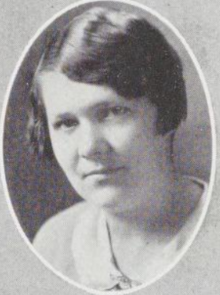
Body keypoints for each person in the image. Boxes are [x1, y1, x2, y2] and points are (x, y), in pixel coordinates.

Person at [28, 6, 208, 291]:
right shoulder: (54, 243)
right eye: (66, 123)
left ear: (166, 112)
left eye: (112, 112)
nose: (89, 147)